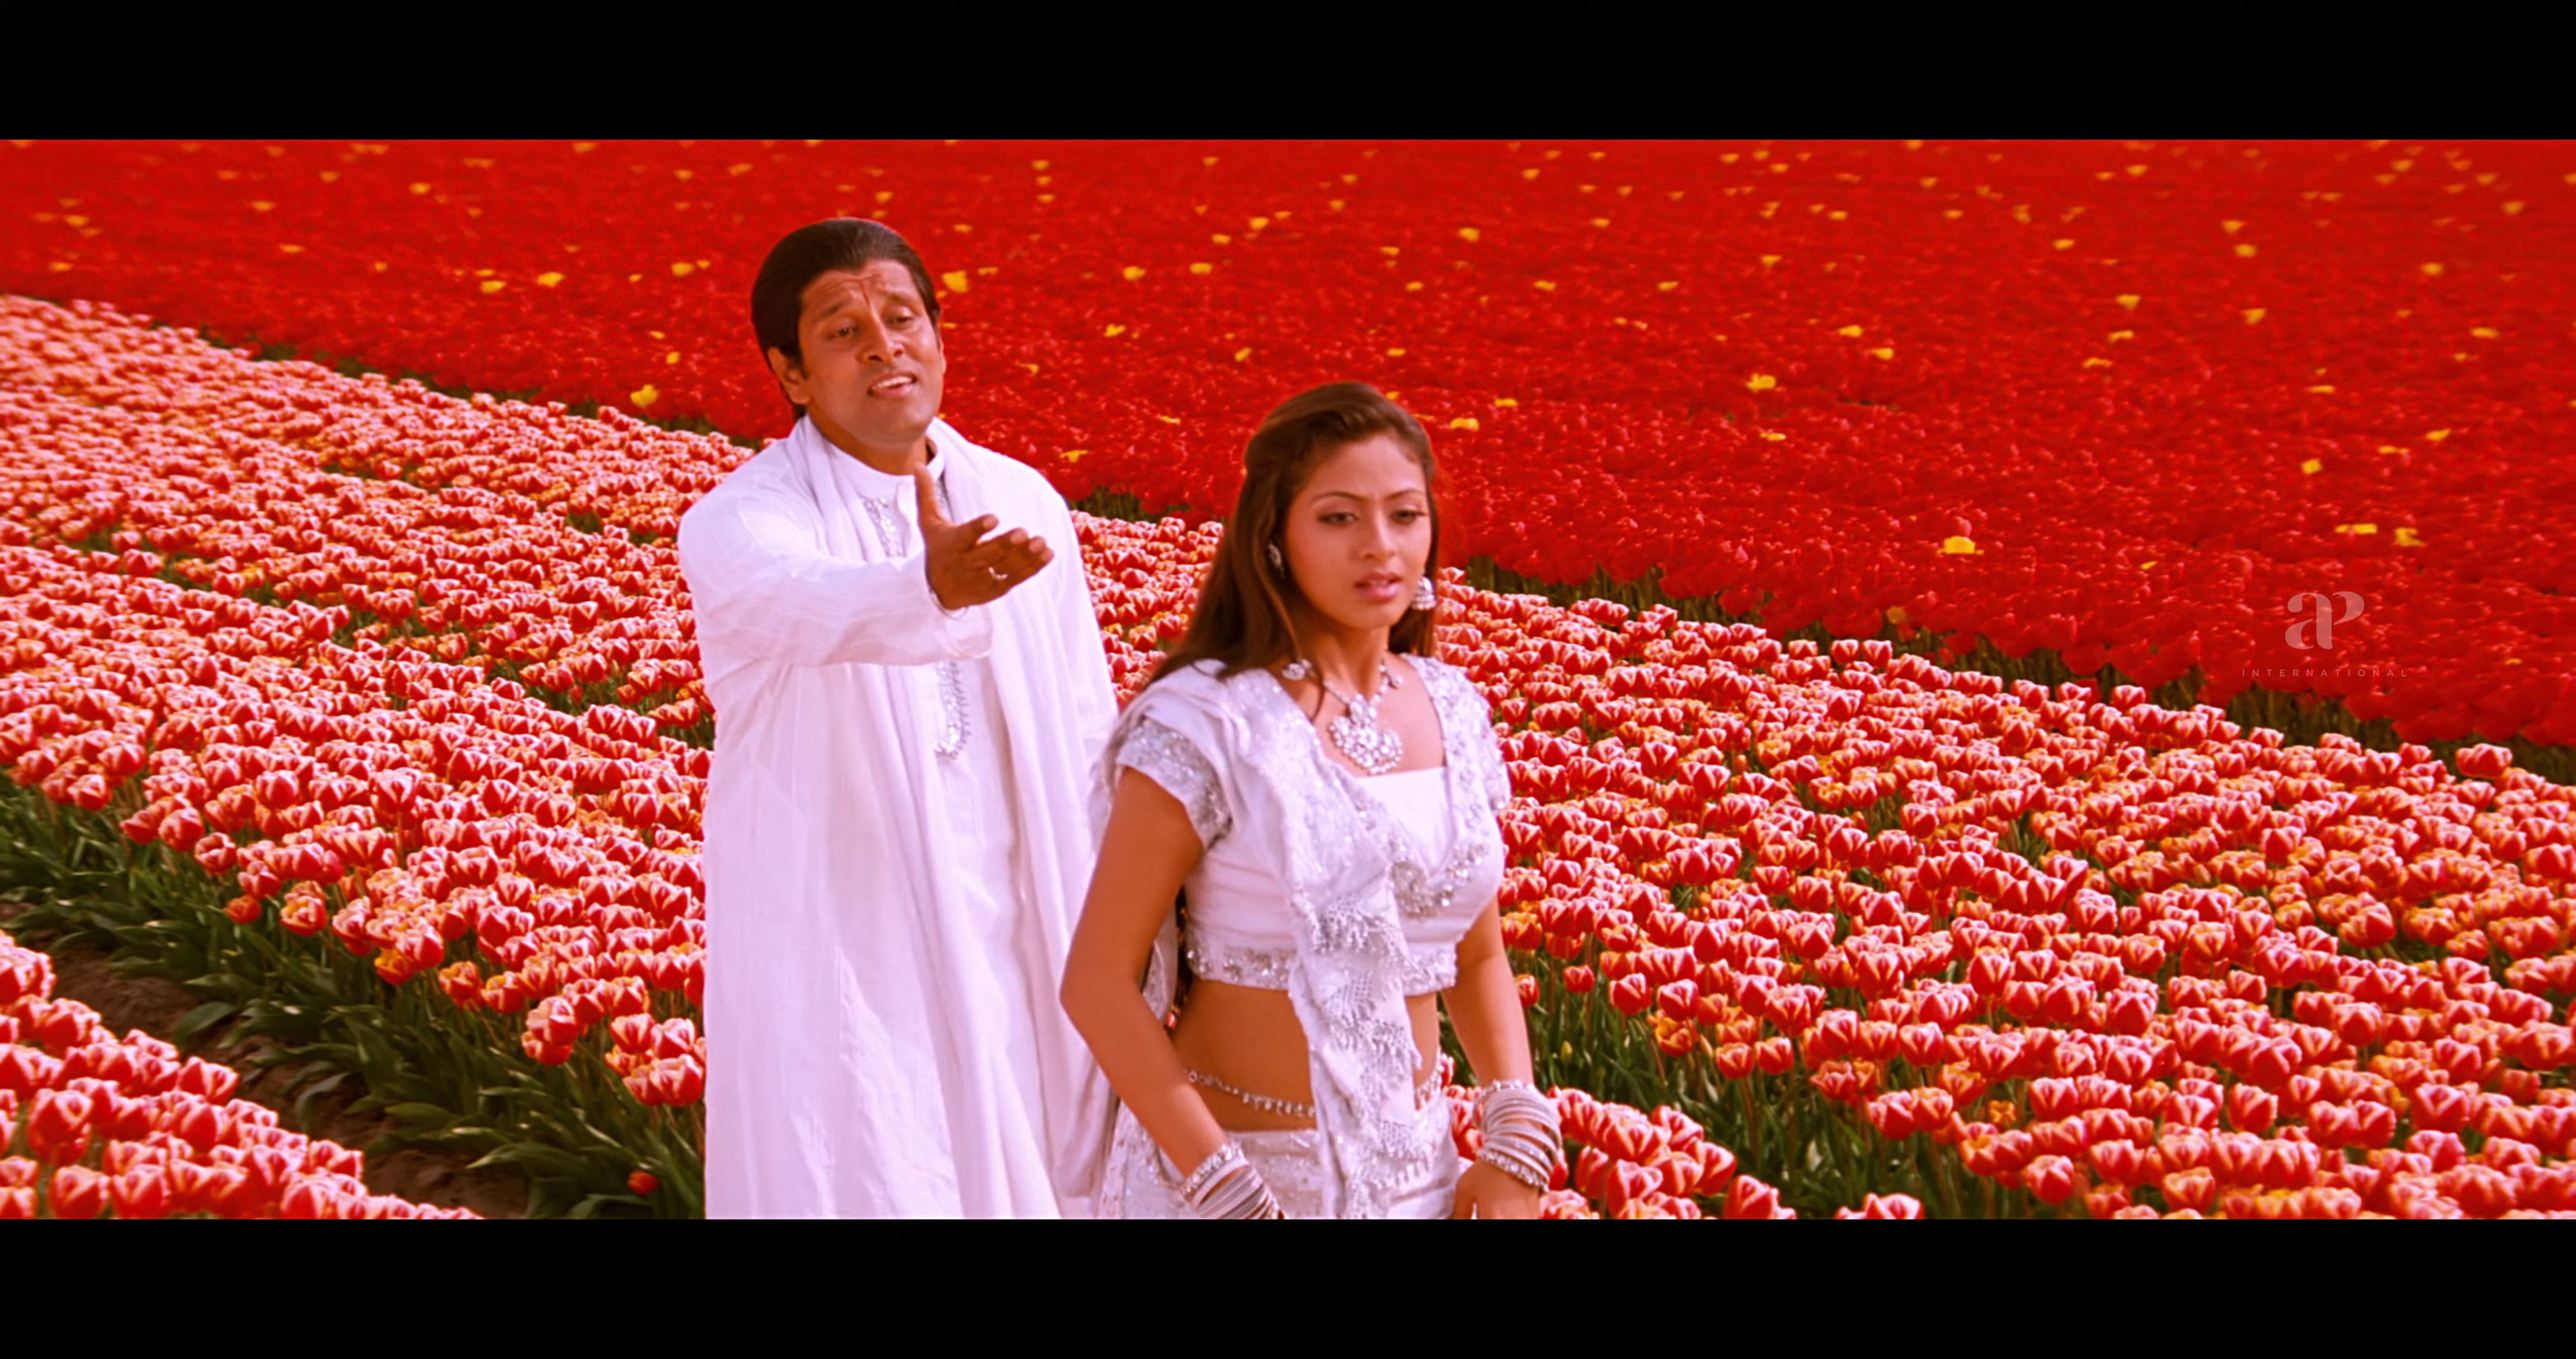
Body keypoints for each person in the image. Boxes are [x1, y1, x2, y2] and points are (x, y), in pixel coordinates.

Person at [677, 219, 1116, 1217]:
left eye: (903, 317)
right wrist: (928, 585)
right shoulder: (740, 521)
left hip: (1029, 913)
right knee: (877, 1159)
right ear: (791, 373)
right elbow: (802, 598)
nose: (885, 346)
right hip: (849, 932)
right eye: (844, 330)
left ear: (940, 336)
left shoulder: (1023, 500)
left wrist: (1131, 916)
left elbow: (1089, 722)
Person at [1059, 383, 1560, 1218]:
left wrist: (1517, 1137)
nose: (1380, 546)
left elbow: (1476, 956)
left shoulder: (1453, 708)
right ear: (1274, 537)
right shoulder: (1207, 723)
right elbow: (1098, 982)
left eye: (1405, 515)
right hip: (1227, 1179)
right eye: (1338, 517)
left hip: (1422, 1181)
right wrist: (1227, 1192)